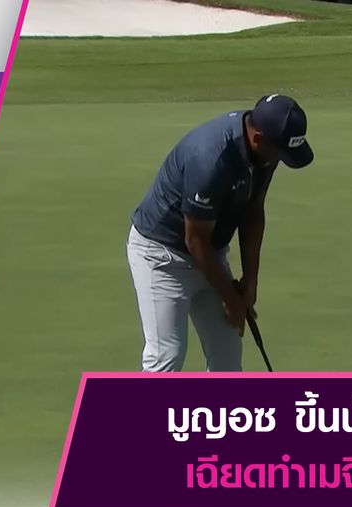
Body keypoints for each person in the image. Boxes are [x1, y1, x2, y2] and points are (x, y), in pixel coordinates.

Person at [126, 94, 313, 371]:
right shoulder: (212, 159)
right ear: (258, 139)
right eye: (281, 154)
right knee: (166, 357)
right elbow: (195, 240)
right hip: (161, 257)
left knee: (227, 353)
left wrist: (250, 283)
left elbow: (253, 212)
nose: (281, 161)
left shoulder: (266, 148)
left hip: (209, 254)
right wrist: (231, 298)